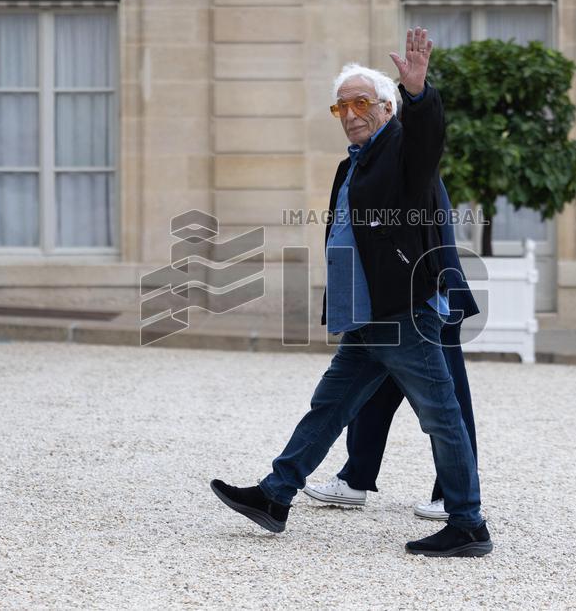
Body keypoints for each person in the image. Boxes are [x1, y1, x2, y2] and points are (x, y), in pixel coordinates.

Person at [210, 27, 492, 557]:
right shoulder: (353, 163)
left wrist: (419, 93)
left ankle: (468, 523)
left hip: (404, 312)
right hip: (368, 315)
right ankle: (276, 495)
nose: (351, 112)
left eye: (362, 102)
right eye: (341, 106)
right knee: (329, 406)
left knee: (441, 415)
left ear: (386, 107)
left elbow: (428, 136)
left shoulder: (404, 150)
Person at [303, 176, 480, 522]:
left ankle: (451, 495)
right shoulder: (366, 166)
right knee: (376, 390)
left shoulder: (409, 161)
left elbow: (431, 231)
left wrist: (439, 292)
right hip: (389, 303)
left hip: (427, 300)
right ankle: (356, 477)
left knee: (449, 398)